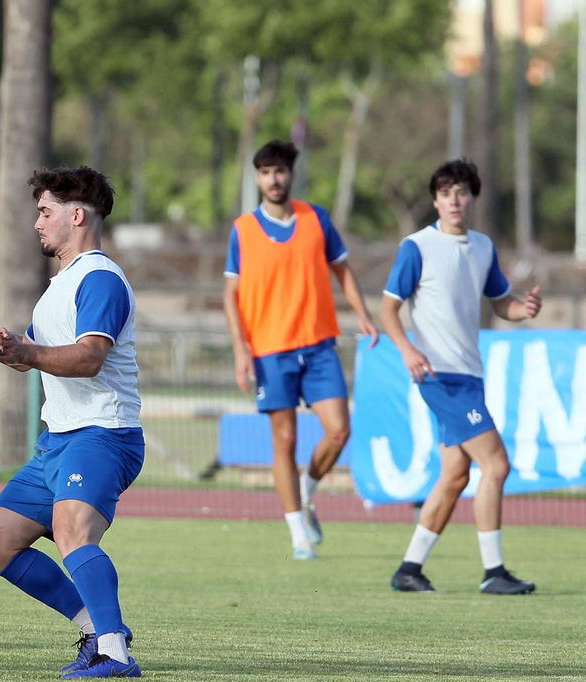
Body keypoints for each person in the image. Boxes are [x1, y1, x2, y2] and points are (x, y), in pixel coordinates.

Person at [0, 167, 144, 679]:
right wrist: (4, 347)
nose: (37, 223)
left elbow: (90, 357)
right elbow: (35, 355)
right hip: (59, 440)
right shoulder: (59, 287)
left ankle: (115, 654)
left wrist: (27, 352)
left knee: (73, 530)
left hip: (103, 434)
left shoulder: (99, 278)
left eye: (45, 212)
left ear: (77, 216)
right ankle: (95, 626)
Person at [382, 160, 542, 595]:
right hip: (440, 377)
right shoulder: (417, 247)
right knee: (496, 464)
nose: (454, 200)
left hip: (469, 376)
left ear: (472, 198)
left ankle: (409, 569)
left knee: (455, 475)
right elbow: (388, 308)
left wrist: (524, 310)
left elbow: (501, 303)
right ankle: (494, 572)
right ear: (435, 201)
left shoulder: (483, 247)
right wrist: (408, 349)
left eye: (461, 192)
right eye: (445, 193)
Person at [223, 140, 379, 560]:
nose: (274, 179)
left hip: (318, 345)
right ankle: (298, 534)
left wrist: (363, 314)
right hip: (269, 351)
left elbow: (343, 270)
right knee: (286, 438)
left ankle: (307, 491)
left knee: (339, 430)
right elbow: (230, 295)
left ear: (291, 174)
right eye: (266, 172)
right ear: (258, 178)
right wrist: (241, 350)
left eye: (280, 170)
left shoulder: (316, 219)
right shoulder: (243, 229)